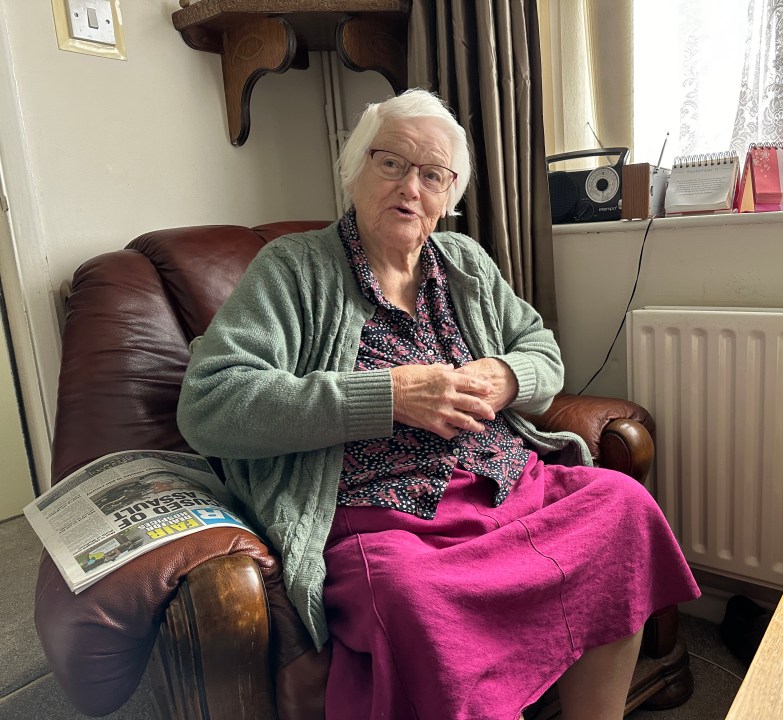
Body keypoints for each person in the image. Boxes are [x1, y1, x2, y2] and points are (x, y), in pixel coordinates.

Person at [177, 88, 699, 720]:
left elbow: (542, 351)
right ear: (354, 172)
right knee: (410, 597)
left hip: (506, 482)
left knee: (623, 504)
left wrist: (507, 377)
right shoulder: (294, 270)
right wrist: (388, 396)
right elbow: (211, 402)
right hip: (382, 515)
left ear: (449, 195)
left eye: (433, 174)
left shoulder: (464, 263)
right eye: (391, 162)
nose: (410, 186)